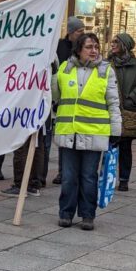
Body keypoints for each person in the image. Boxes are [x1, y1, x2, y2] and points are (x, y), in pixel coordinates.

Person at [53, 32, 121, 230]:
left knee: (89, 177)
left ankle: (87, 215)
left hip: (94, 132)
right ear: (78, 50)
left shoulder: (106, 71)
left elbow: (113, 103)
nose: (94, 51)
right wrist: (52, 73)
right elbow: (55, 95)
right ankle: (66, 213)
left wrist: (116, 131)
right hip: (69, 131)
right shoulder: (65, 68)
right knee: (68, 177)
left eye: (96, 47)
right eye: (89, 47)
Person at [109, 33, 136, 192]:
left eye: (116, 42)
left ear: (124, 45)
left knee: (125, 147)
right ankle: (108, 177)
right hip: (110, 109)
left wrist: (132, 97)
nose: (112, 44)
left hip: (128, 110)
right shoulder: (108, 63)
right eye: (112, 42)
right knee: (110, 145)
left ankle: (124, 179)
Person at [50, 17, 86, 185]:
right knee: (63, 139)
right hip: (63, 99)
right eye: (79, 31)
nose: (82, 34)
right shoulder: (60, 46)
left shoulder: (83, 47)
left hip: (80, 98)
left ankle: (75, 171)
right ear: (71, 32)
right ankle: (62, 172)